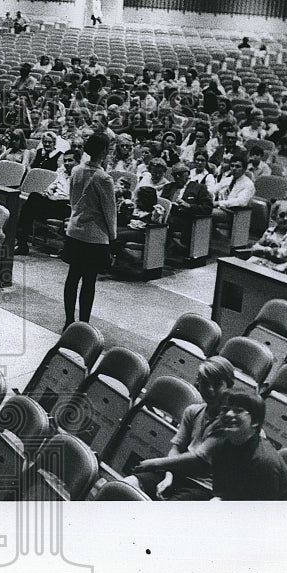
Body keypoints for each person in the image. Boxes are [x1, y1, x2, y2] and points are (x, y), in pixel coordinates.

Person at [130, 389, 287, 500]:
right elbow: (223, 490)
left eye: (238, 411)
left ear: (256, 422)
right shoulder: (225, 444)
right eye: (225, 409)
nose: (229, 414)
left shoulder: (264, 462)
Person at [127, 356, 236, 500]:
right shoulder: (193, 411)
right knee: (127, 485)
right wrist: (168, 475)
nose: (210, 389)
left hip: (204, 487)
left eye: (217, 384)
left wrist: (154, 463)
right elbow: (177, 448)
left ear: (228, 386)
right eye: (204, 383)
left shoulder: (231, 420)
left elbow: (199, 458)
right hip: (177, 475)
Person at [61, 132, 117, 328]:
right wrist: (113, 236)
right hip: (94, 235)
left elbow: (72, 199)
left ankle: (69, 320)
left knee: (72, 276)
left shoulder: (76, 170)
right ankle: (83, 323)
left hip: (75, 230)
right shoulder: (104, 178)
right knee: (88, 281)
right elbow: (110, 211)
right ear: (104, 152)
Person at [248, 199, 287, 270]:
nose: (285, 219)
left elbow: (282, 254)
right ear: (275, 215)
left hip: (280, 268)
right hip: (263, 262)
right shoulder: (270, 230)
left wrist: (264, 249)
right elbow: (255, 247)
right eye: (282, 215)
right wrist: (267, 250)